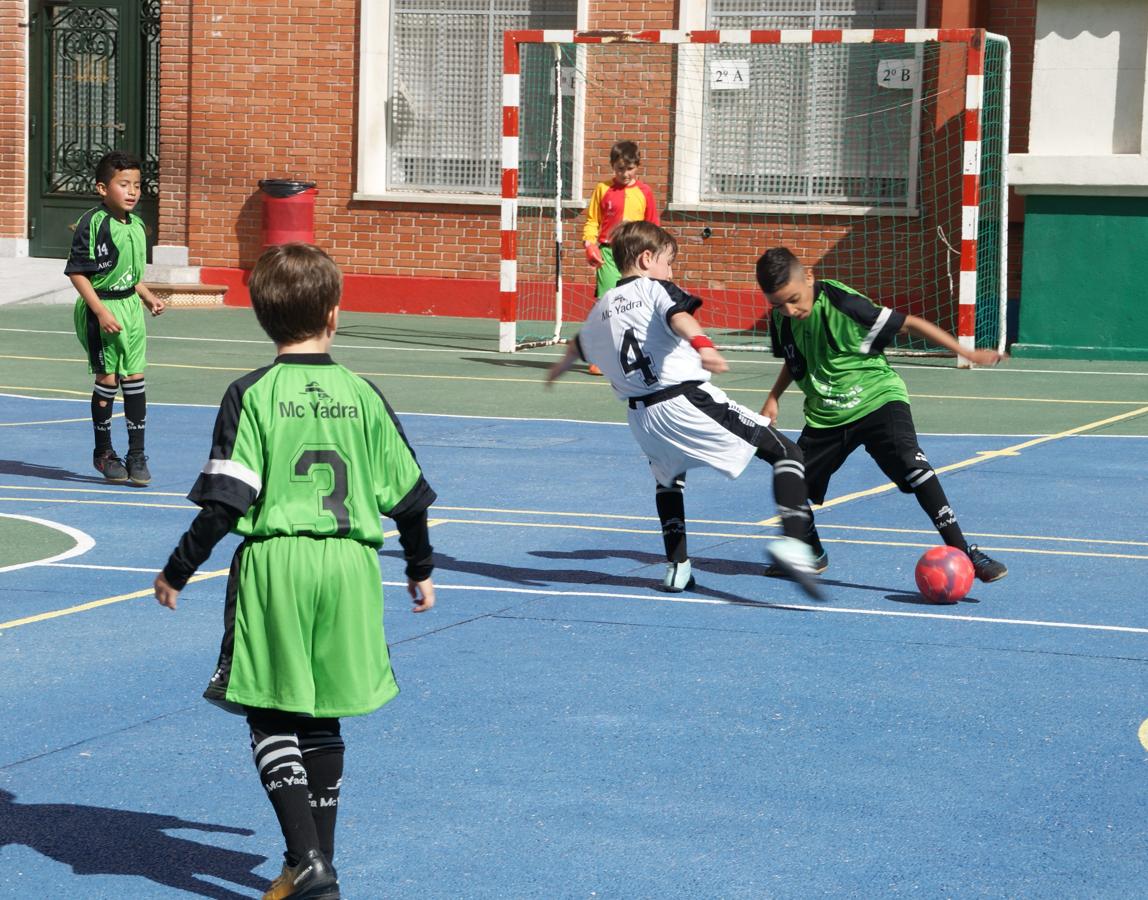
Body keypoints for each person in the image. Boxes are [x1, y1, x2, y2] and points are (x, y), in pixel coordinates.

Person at [153, 243, 438, 900]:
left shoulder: (251, 393)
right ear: (334, 313)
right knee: (323, 712)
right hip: (351, 566)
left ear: (262, 317)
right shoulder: (362, 393)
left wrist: (178, 567)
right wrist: (420, 566)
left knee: (268, 708)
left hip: (278, 563)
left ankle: (308, 861)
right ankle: (313, 869)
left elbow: (226, 502)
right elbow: (410, 496)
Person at [548, 221, 822, 599]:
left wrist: (558, 370)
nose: (671, 271)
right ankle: (797, 545)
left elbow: (579, 345)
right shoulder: (655, 289)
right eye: (669, 263)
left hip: (642, 417)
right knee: (786, 452)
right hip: (684, 400)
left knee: (668, 481)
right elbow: (680, 317)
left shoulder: (604, 305)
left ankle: (677, 566)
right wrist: (703, 345)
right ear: (647, 259)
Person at [754, 246, 1008, 584]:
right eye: (778, 305)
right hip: (827, 415)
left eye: (794, 299)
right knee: (791, 481)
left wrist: (966, 352)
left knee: (914, 467)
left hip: (878, 399)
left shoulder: (844, 304)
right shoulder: (782, 319)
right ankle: (811, 553)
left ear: (809, 278)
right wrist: (773, 397)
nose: (789, 310)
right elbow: (795, 357)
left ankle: (965, 552)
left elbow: (910, 324)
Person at [66, 150, 165, 486]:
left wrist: (147, 296)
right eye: (124, 184)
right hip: (101, 307)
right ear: (102, 188)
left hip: (130, 308)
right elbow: (77, 273)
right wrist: (100, 310)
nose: (132, 191)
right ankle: (104, 453)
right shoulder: (92, 223)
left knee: (135, 377)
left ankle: (137, 453)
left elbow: (130, 274)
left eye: (137, 184)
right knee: (108, 379)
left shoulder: (136, 225)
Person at [581, 140, 661, 375]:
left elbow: (653, 226)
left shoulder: (645, 192)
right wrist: (589, 244)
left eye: (630, 169)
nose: (625, 174)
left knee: (636, 305)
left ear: (638, 166)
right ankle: (599, 355)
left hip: (635, 256)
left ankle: (636, 354)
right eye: (619, 169)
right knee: (606, 303)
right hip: (608, 253)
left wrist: (655, 256)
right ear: (612, 166)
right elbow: (592, 221)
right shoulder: (602, 189)